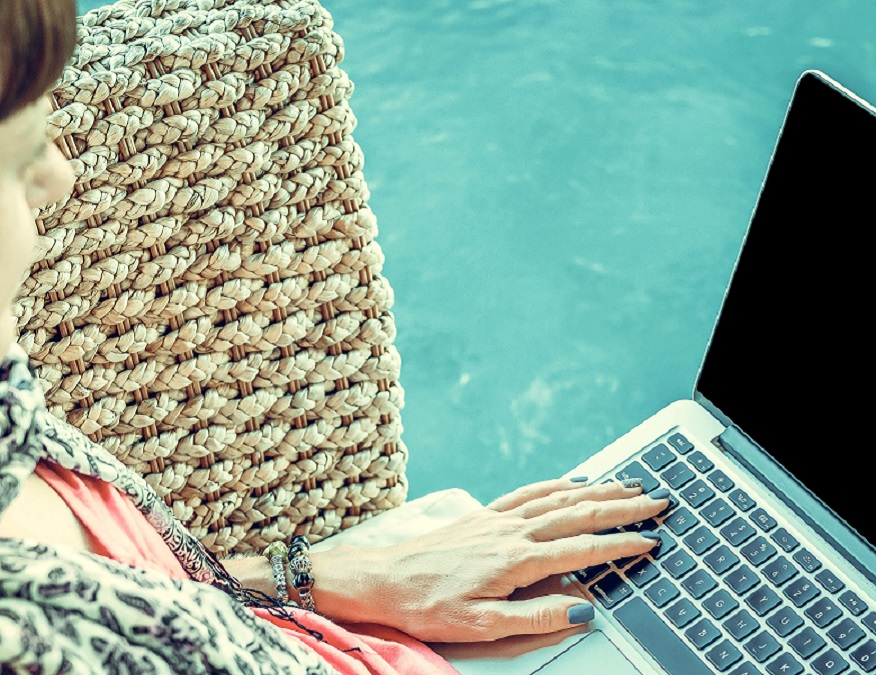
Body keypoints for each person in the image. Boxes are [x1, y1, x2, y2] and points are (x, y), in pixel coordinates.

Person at [0, 0, 667, 672]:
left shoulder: (11, 416)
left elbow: (145, 593)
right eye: (19, 150)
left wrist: (322, 577)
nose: (59, 176)